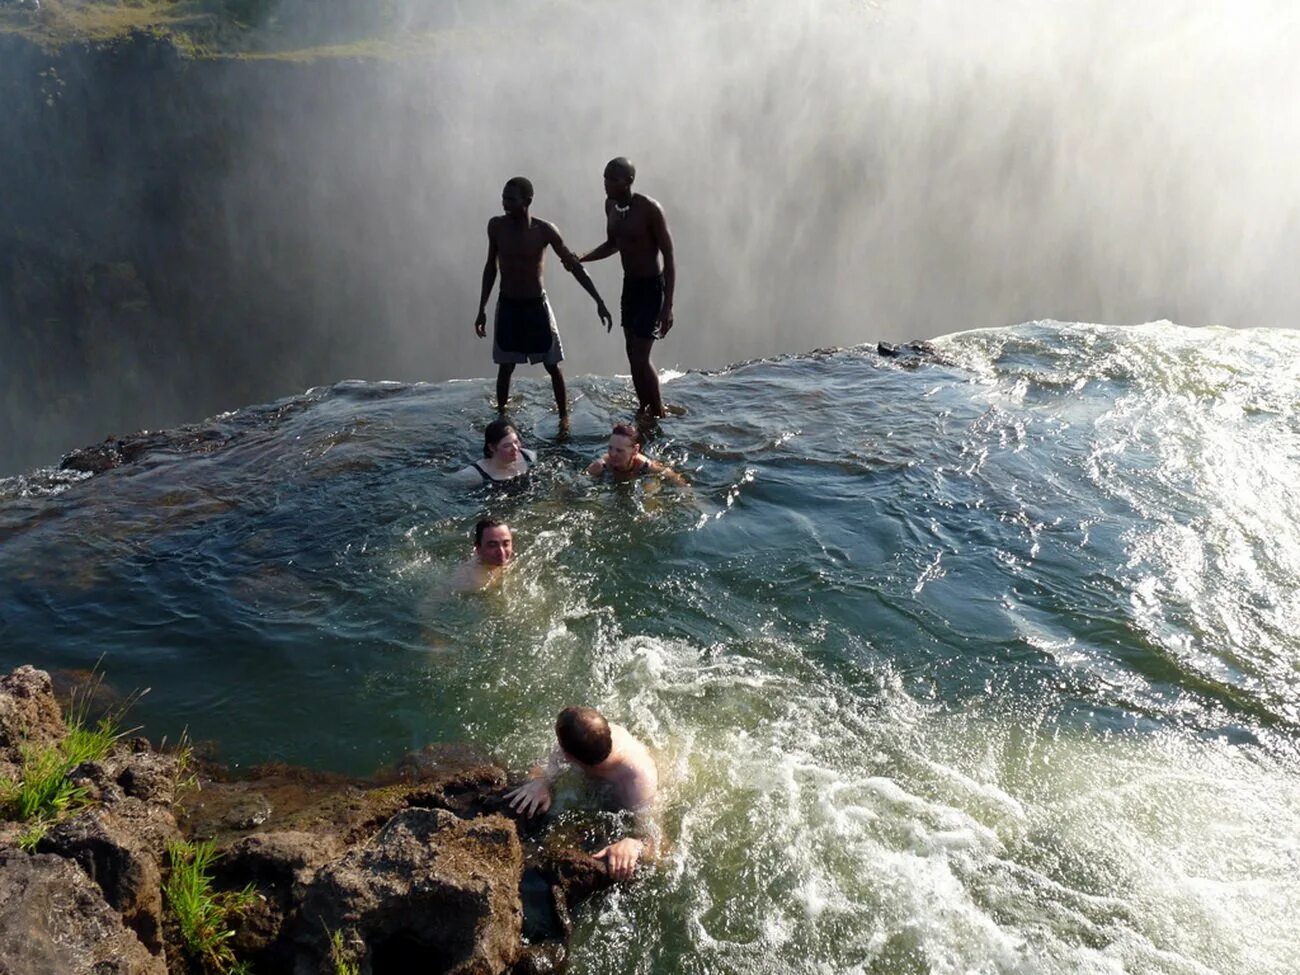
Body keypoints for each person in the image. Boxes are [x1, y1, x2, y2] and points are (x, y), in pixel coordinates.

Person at [475, 176, 613, 417]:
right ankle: (501, 419)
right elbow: (490, 266)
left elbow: (573, 266)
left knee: (553, 366)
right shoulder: (496, 227)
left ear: (527, 201)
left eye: (511, 199)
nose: (504, 203)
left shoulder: (544, 231)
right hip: (508, 304)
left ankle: (564, 419)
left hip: (536, 305)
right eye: (503, 198)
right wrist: (482, 308)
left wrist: (598, 300)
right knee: (505, 366)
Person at [505, 706, 659, 881]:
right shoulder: (593, 737)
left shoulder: (637, 783)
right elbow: (541, 768)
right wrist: (540, 781)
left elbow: (661, 847)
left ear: (568, 756)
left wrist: (635, 844)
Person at [578, 157, 676, 418]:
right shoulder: (610, 206)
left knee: (642, 356)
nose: (607, 183)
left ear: (629, 181)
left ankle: (659, 412)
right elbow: (613, 244)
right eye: (605, 177)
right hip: (630, 287)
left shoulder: (649, 209)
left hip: (652, 288)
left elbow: (669, 255)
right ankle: (643, 408)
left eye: (613, 178)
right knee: (632, 353)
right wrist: (582, 258)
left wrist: (667, 306)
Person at [586, 423, 686, 485]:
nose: (612, 454)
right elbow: (579, 483)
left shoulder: (646, 466)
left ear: (635, 450)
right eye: (610, 448)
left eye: (619, 451)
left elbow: (675, 478)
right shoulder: (600, 466)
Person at [454, 419, 536, 488]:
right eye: (507, 445)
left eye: (516, 442)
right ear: (492, 448)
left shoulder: (529, 457)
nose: (515, 448)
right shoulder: (474, 475)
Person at [449, 518, 514, 592]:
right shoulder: (468, 582)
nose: (501, 552)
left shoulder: (510, 559)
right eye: (492, 545)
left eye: (506, 544)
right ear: (478, 548)